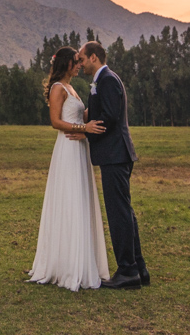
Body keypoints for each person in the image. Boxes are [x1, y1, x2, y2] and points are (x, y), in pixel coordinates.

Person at [27, 46, 110, 291]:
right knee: (70, 200)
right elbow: (55, 122)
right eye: (75, 62)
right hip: (68, 148)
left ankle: (81, 260)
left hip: (79, 149)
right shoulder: (57, 89)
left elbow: (78, 114)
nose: (79, 65)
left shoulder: (72, 88)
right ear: (65, 64)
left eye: (79, 61)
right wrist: (83, 129)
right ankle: (66, 264)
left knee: (80, 199)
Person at [77, 40, 148, 289]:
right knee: (125, 212)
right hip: (117, 155)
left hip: (115, 155)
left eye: (82, 59)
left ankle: (128, 271)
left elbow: (109, 117)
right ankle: (138, 268)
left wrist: (85, 132)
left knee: (119, 215)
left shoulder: (106, 80)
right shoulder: (105, 79)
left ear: (94, 57)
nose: (80, 63)